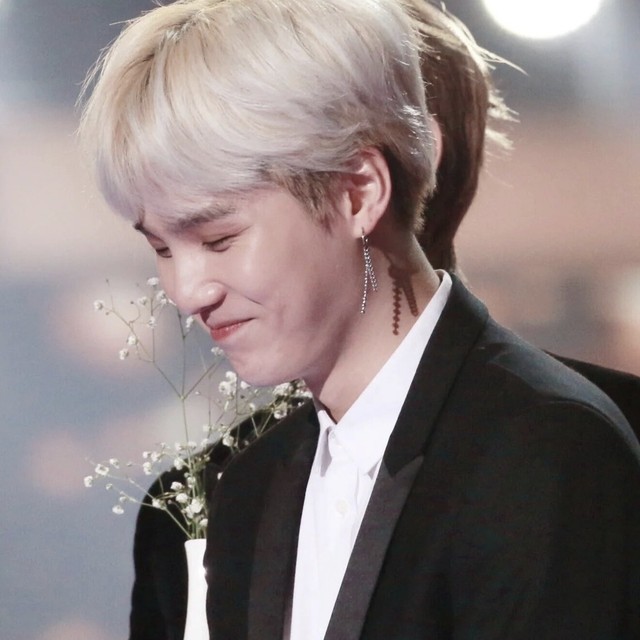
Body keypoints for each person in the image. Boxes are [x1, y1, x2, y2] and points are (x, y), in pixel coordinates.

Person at [80, 1, 640, 638]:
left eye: (219, 239)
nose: (186, 293)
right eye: (160, 248)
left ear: (359, 192)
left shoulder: (545, 450)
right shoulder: (251, 485)